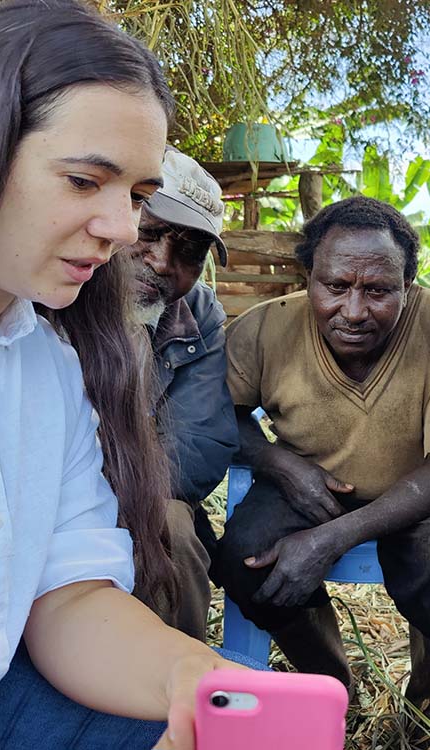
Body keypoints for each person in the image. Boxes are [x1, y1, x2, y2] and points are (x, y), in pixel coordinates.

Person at [0, 3, 262, 750]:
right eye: (86, 181)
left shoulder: (48, 362)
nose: (124, 229)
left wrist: (186, 671)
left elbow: (68, 595)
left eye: (133, 194)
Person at [213, 195, 430, 746]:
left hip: (419, 496)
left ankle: (426, 700)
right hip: (306, 487)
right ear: (309, 278)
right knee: (247, 561)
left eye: (379, 291)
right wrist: (279, 463)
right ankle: (334, 685)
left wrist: (330, 539)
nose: (354, 311)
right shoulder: (266, 328)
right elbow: (222, 414)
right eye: (335, 287)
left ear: (409, 285)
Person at [129, 146, 239, 641]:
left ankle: (172, 699)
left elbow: (199, 445)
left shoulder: (199, 313)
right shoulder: (57, 292)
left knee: (171, 528)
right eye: (149, 233)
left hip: (140, 494)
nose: (162, 262)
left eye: (190, 252)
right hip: (46, 492)